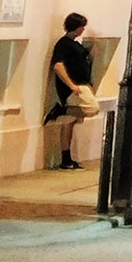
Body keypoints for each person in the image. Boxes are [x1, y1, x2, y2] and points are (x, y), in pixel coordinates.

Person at [44, 12, 95, 170]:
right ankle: (60, 110)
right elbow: (58, 65)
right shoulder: (63, 44)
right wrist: (71, 85)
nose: (83, 30)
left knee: (71, 121)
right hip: (72, 87)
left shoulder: (74, 43)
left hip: (80, 84)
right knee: (90, 109)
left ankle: (67, 158)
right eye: (81, 27)